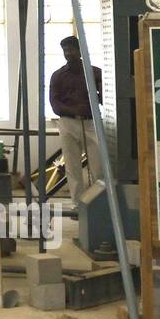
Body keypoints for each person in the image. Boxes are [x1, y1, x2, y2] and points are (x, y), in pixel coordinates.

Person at [48, 36, 104, 203]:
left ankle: (98, 203)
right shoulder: (57, 76)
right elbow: (55, 103)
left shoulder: (94, 72)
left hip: (90, 122)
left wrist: (96, 95)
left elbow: (105, 98)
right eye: (65, 51)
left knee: (98, 166)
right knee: (72, 168)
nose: (68, 54)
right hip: (68, 123)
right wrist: (73, 109)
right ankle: (77, 204)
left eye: (72, 50)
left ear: (80, 51)